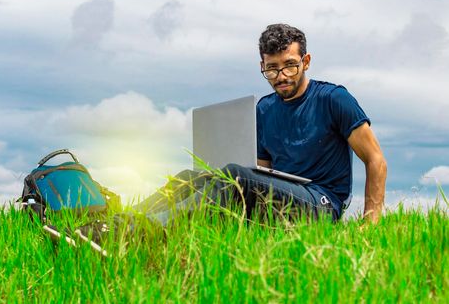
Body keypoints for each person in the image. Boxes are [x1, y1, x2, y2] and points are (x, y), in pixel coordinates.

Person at [137, 23, 387, 225]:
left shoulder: (333, 99)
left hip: (322, 202)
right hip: (282, 196)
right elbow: (259, 174)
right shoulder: (265, 109)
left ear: (306, 61)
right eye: (272, 69)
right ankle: (122, 221)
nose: (281, 77)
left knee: (234, 175)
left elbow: (375, 159)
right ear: (262, 67)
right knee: (190, 178)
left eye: (290, 66)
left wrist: (370, 221)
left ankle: (152, 229)